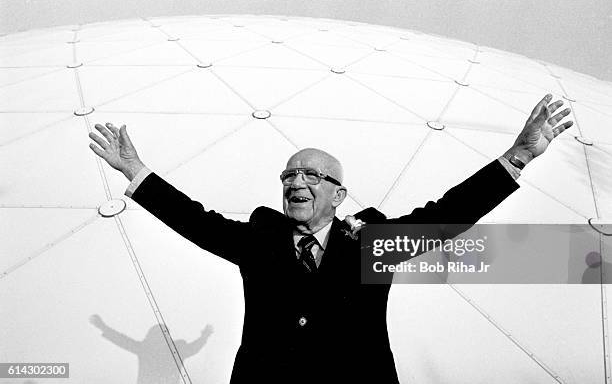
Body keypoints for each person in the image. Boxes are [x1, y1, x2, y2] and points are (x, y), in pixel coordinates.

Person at [88, 94, 572, 384]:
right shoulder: (261, 240)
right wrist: (137, 172)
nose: (296, 182)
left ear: (339, 194)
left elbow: (446, 215)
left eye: (311, 175)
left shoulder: (369, 243)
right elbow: (196, 221)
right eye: (288, 174)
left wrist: (519, 154)